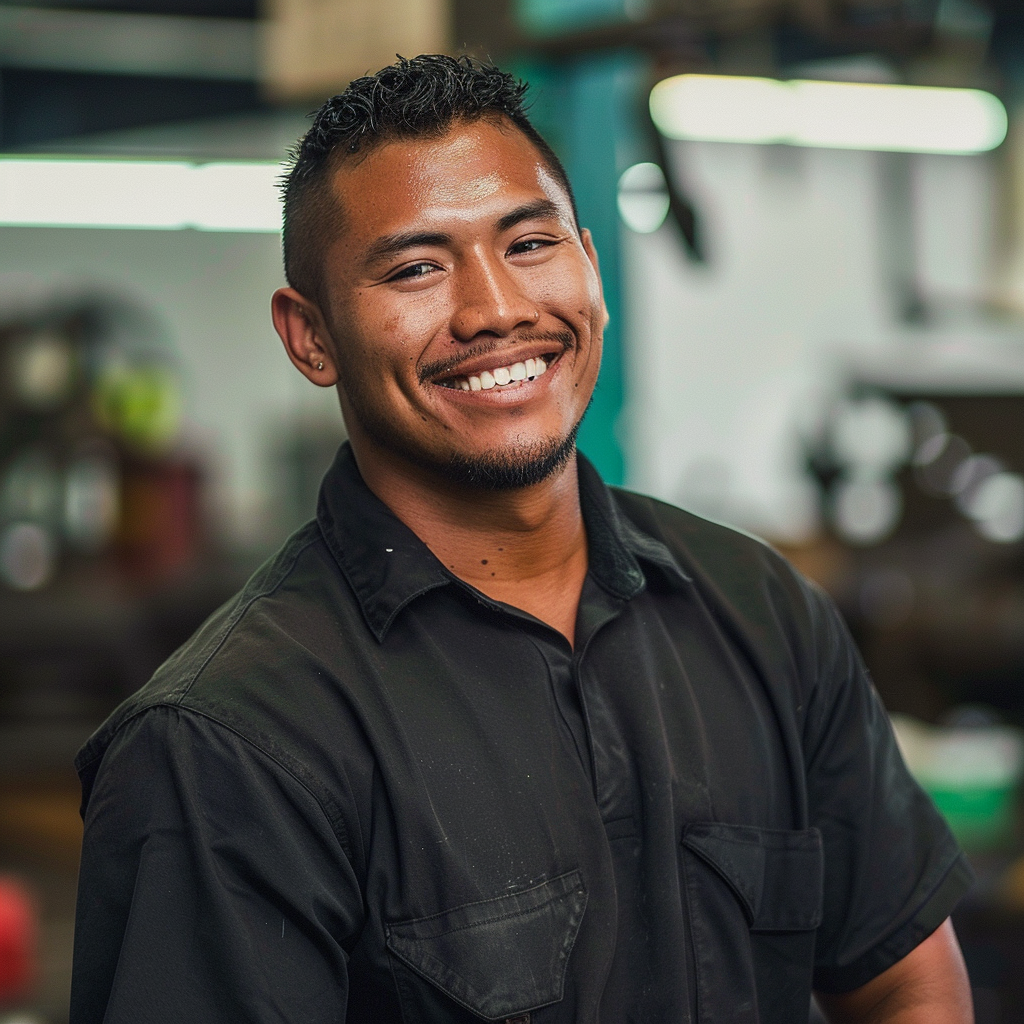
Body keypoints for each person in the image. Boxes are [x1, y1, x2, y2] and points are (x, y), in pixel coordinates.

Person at [71, 55, 975, 1024]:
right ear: (310, 337)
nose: (496, 309)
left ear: (590, 259)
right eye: (416, 267)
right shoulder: (226, 744)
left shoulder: (757, 607)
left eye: (531, 243)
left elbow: (902, 980)